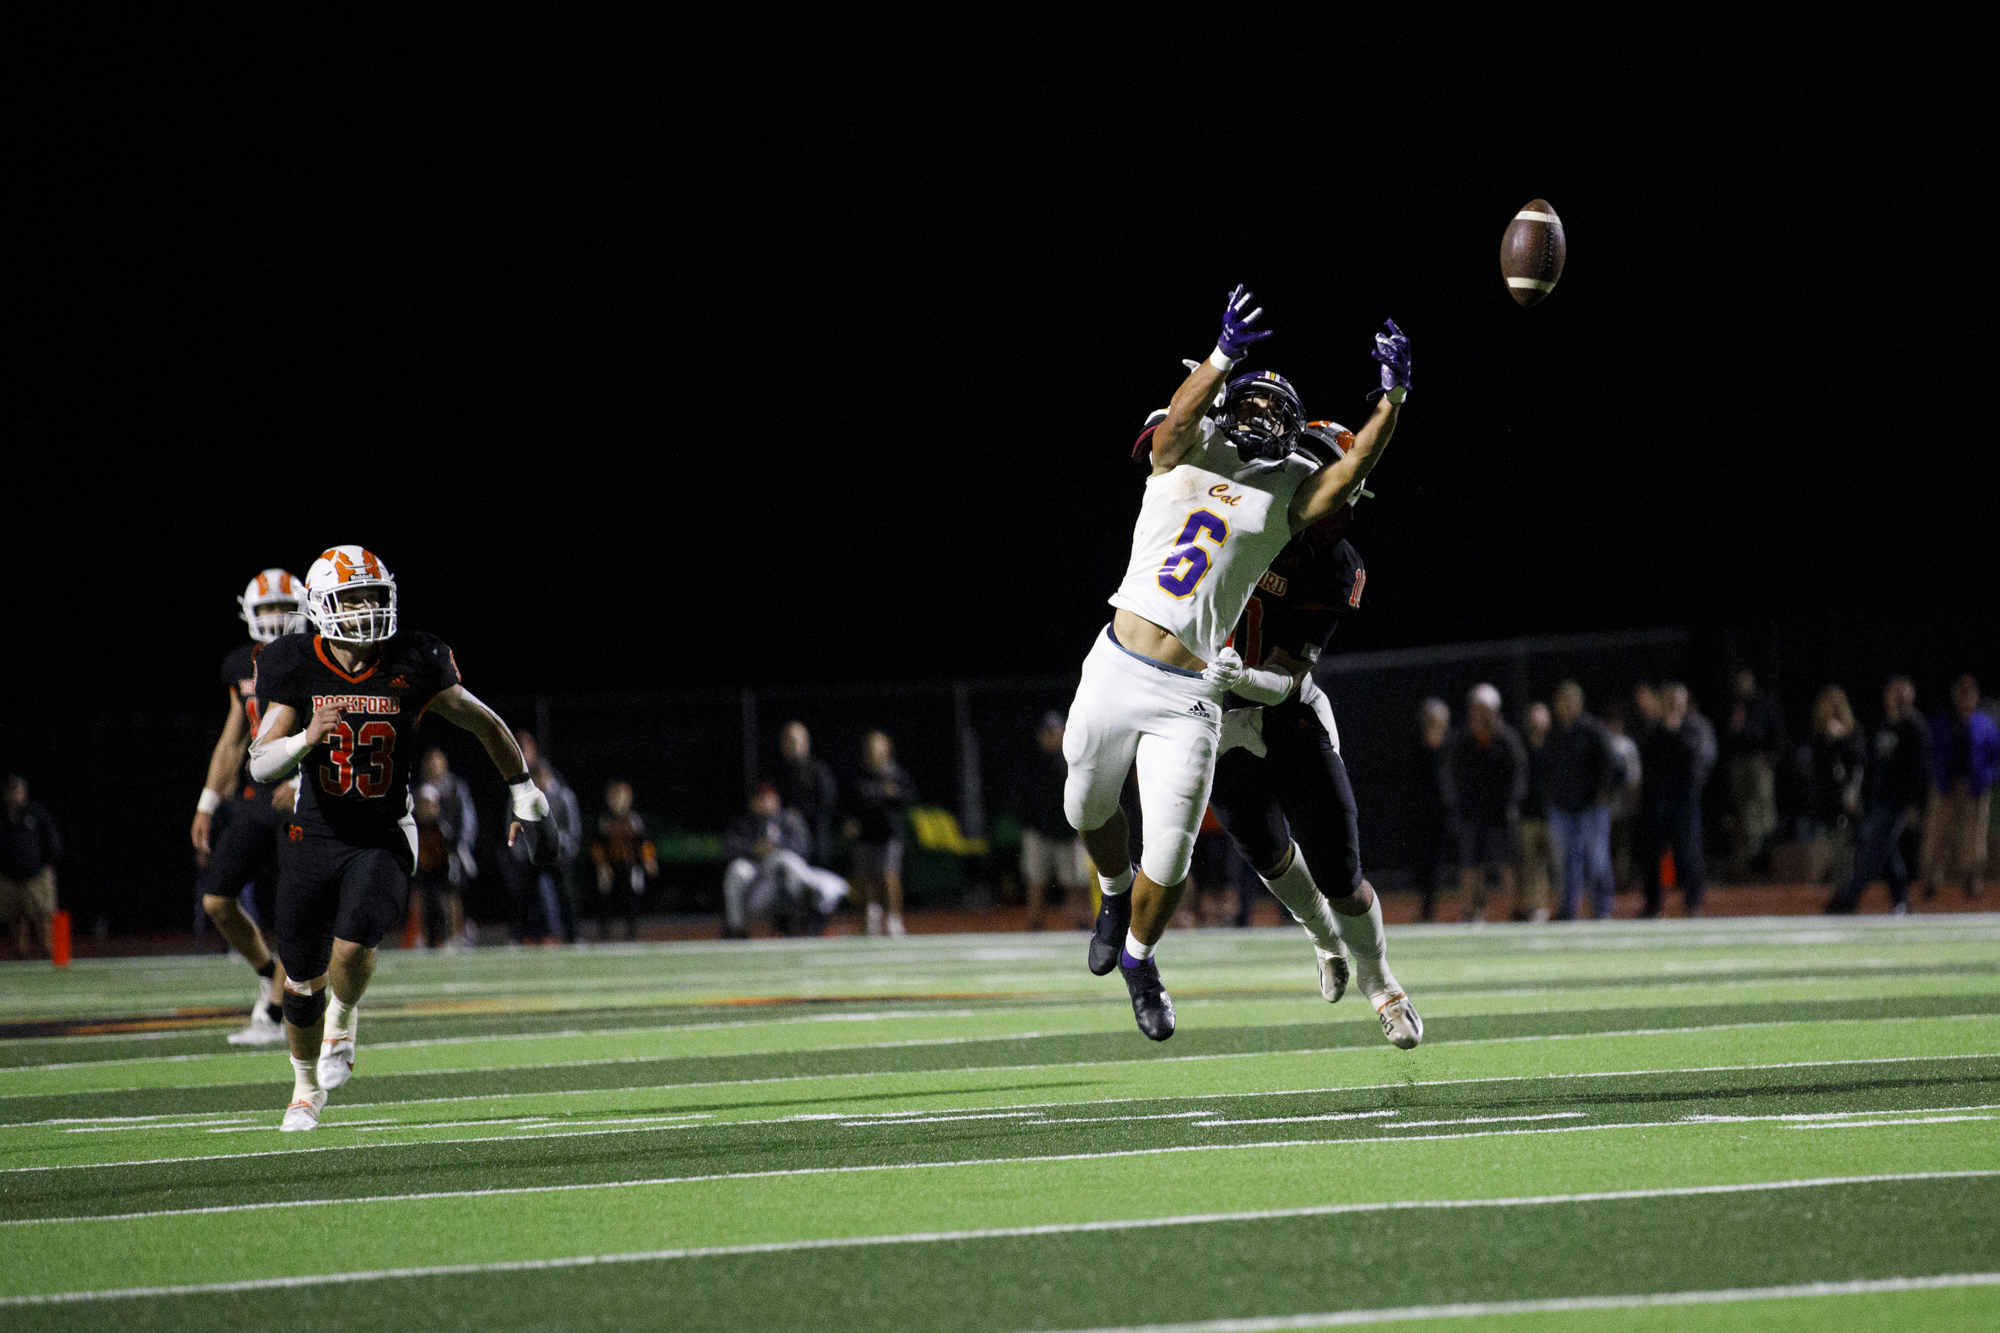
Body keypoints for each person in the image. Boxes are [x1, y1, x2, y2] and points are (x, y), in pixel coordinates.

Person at [1063, 284, 1408, 1042]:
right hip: (1119, 661)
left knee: (1177, 850)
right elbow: (1177, 422)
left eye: (1274, 416)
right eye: (1249, 406)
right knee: (1084, 807)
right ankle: (1114, 893)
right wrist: (1221, 354)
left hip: (1200, 691)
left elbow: (1346, 477)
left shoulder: (1292, 498)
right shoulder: (1186, 442)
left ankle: (1139, 959)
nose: (1260, 421)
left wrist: (1393, 402)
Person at [246, 545, 555, 1131]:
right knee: (299, 979)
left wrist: (521, 788)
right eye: (351, 598)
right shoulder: (294, 663)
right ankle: (304, 1087)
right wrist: (308, 738)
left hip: (384, 832)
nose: (364, 609)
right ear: (321, 606)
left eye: (371, 596)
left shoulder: (415, 659)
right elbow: (261, 765)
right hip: (313, 832)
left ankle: (344, 1015)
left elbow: (483, 721)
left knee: (354, 946)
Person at [1205, 433, 1420, 1048]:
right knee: (1268, 854)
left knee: (1340, 872)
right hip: (1214, 720)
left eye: (1353, 483)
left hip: (1285, 711)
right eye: (1338, 478)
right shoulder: (1239, 519)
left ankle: (1381, 984)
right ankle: (1324, 943)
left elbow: (1287, 677)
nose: (1345, 495)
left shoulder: (1336, 565)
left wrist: (1241, 675)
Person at [189, 569, 303, 1044]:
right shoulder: (243, 665)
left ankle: (275, 1014)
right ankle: (267, 972)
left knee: (295, 909)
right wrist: (207, 803)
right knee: (217, 899)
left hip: (304, 799)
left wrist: (304, 781)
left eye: (283, 606)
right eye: (267, 608)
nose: (276, 617)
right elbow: (233, 739)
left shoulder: (316, 658)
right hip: (258, 797)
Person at [1827, 677, 1931, 914]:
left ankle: (1848, 898)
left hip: (1898, 802)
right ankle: (1902, 900)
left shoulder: (1914, 727)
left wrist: (1916, 803)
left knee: (1872, 847)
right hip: (1878, 801)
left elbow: (1921, 770)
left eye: (1902, 694)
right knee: (1886, 849)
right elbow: (1870, 765)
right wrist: (1860, 795)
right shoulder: (1883, 726)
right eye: (1894, 693)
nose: (1898, 699)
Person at [1441, 683, 1527, 924]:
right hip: (1471, 813)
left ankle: (1516, 910)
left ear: (1495, 711)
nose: (1478, 715)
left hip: (1501, 813)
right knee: (1470, 865)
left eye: (1484, 709)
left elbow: (1518, 774)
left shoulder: (1507, 740)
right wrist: (1457, 804)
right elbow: (1451, 775)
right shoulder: (1462, 742)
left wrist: (1511, 803)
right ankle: (1471, 911)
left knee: (1508, 863)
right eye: (1475, 709)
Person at [722, 783, 849, 936]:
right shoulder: (744, 823)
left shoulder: (789, 820)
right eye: (760, 799)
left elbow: (804, 848)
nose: (764, 802)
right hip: (756, 873)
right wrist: (753, 849)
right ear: (752, 802)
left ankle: (811, 896)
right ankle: (737, 928)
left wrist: (778, 846)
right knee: (737, 868)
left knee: (785, 858)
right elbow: (730, 847)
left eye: (768, 798)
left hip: (788, 874)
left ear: (776, 800)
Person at [1637, 681, 1717, 916]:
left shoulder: (1696, 726)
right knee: (1651, 855)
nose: (1673, 706)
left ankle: (1693, 903)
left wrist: (1676, 734)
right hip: (1657, 801)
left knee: (1688, 852)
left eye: (1677, 701)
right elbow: (1648, 763)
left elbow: (1701, 760)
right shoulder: (1653, 729)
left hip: (1684, 800)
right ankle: (1653, 905)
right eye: (1668, 701)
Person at [1921, 674, 1999, 901]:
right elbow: (1932, 755)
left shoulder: (1984, 724)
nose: (1966, 698)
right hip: (1947, 787)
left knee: (1974, 838)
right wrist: (1940, 780)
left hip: (1974, 788)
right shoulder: (1943, 722)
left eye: (1970, 693)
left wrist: (1986, 778)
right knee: (1936, 835)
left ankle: (1971, 881)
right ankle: (1930, 881)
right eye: (1962, 693)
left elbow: (1995, 757)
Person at [1544, 681, 1616, 921]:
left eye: (1569, 701)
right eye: (1560, 702)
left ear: (1578, 703)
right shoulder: (1553, 733)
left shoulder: (1593, 730)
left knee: (1597, 861)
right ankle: (1568, 910)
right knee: (1566, 863)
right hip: (1562, 807)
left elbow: (1612, 764)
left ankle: (1602, 908)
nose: (1564, 707)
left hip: (1590, 807)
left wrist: (1604, 792)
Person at [1016, 712, 1090, 931]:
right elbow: (1021, 798)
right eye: (1051, 732)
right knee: (1036, 882)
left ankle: (1082, 924)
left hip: (1068, 833)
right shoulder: (1031, 761)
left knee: (1075, 883)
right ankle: (1035, 924)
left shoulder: (1072, 759)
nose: (1055, 736)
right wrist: (1028, 826)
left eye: (1058, 731)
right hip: (1039, 833)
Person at [846, 730, 916, 936]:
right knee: (867, 878)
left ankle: (894, 919)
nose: (875, 750)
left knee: (889, 875)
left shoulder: (896, 774)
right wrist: (851, 822)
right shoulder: (860, 774)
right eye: (871, 746)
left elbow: (911, 799)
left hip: (889, 834)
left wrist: (896, 794)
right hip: (865, 833)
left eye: (878, 745)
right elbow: (850, 802)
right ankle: (872, 918)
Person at [412, 748, 478, 948]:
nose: (434, 767)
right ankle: (425, 936)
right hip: (425, 851)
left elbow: (467, 819)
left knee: (452, 892)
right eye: (430, 763)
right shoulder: (419, 789)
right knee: (423, 894)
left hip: (449, 848)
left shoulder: (456, 788)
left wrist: (462, 845)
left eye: (437, 762)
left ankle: (456, 935)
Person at [1723, 669, 1787, 879]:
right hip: (1739, 761)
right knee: (1742, 812)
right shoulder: (1734, 705)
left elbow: (1776, 730)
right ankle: (1746, 860)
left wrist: (1773, 755)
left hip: (1759, 760)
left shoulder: (1763, 703)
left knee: (1761, 807)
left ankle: (1761, 853)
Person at [1802, 685, 1866, 889]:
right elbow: (1817, 764)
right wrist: (1830, 741)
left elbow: (1858, 761)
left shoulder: (1853, 731)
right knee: (1825, 843)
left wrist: (1842, 739)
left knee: (1845, 846)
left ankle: (1845, 888)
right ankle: (1829, 887)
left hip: (1847, 796)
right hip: (1826, 799)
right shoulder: (1819, 735)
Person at [1, 775, 62, 959]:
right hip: (9, 876)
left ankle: (50, 951)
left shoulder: (36, 813)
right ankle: (21, 953)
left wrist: (47, 865)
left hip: (37, 874)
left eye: (18, 790)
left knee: (45, 914)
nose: (15, 795)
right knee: (17, 917)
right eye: (12, 791)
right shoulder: (4, 816)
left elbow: (52, 841)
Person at [590, 781, 655, 941]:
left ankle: (631, 934)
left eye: (623, 797)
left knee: (631, 899)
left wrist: (649, 860)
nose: (619, 801)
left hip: (630, 866)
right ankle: (604, 934)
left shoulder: (634, 820)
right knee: (606, 899)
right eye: (616, 797)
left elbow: (644, 842)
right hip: (610, 866)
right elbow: (598, 845)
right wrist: (601, 866)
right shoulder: (605, 820)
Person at [776, 721, 839, 868]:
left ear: (806, 743)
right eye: (787, 740)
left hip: (816, 842)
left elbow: (828, 802)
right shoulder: (778, 773)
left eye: (795, 740)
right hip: (788, 845)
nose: (792, 745)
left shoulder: (818, 771)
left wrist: (801, 812)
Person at [1413, 698, 1453, 920]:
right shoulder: (1416, 748)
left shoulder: (1453, 745)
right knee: (1425, 865)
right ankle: (1426, 910)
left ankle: (1473, 910)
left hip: (1450, 813)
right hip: (1424, 816)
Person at [1517, 702, 1555, 922]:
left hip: (1553, 812)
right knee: (1531, 863)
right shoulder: (1522, 745)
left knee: (1554, 864)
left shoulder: (1555, 744)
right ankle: (1534, 906)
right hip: (1529, 813)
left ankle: (1556, 905)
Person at [1604, 700, 1642, 894]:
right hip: (1606, 803)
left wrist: (1634, 800)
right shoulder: (1603, 742)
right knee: (1607, 845)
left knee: (1623, 844)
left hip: (1623, 801)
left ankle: (1622, 878)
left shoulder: (1627, 745)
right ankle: (1609, 880)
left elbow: (1634, 776)